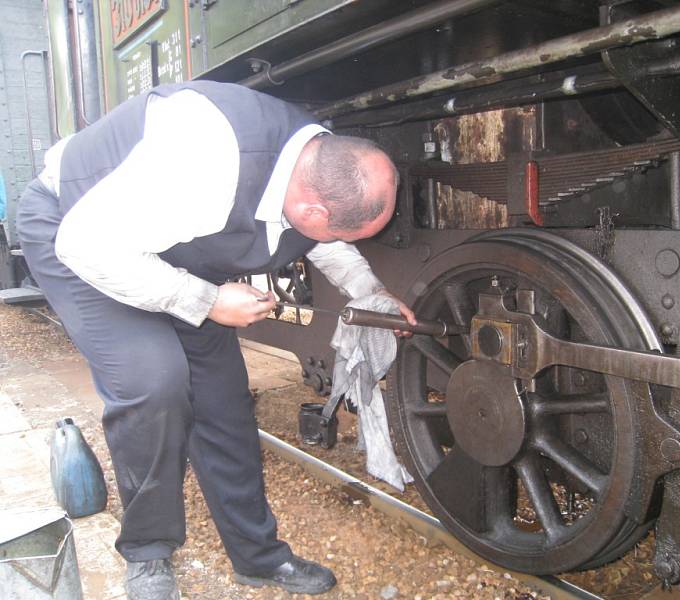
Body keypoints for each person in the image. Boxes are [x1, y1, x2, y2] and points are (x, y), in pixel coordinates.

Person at [16, 81, 416, 600]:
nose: (334, 243)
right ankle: (148, 553)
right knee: (154, 381)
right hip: (80, 233)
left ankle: (258, 556)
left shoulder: (317, 159)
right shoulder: (202, 157)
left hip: (172, 249)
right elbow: (87, 244)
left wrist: (371, 292)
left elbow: (322, 239)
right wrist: (205, 301)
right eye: (337, 233)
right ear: (314, 211)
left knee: (223, 400)